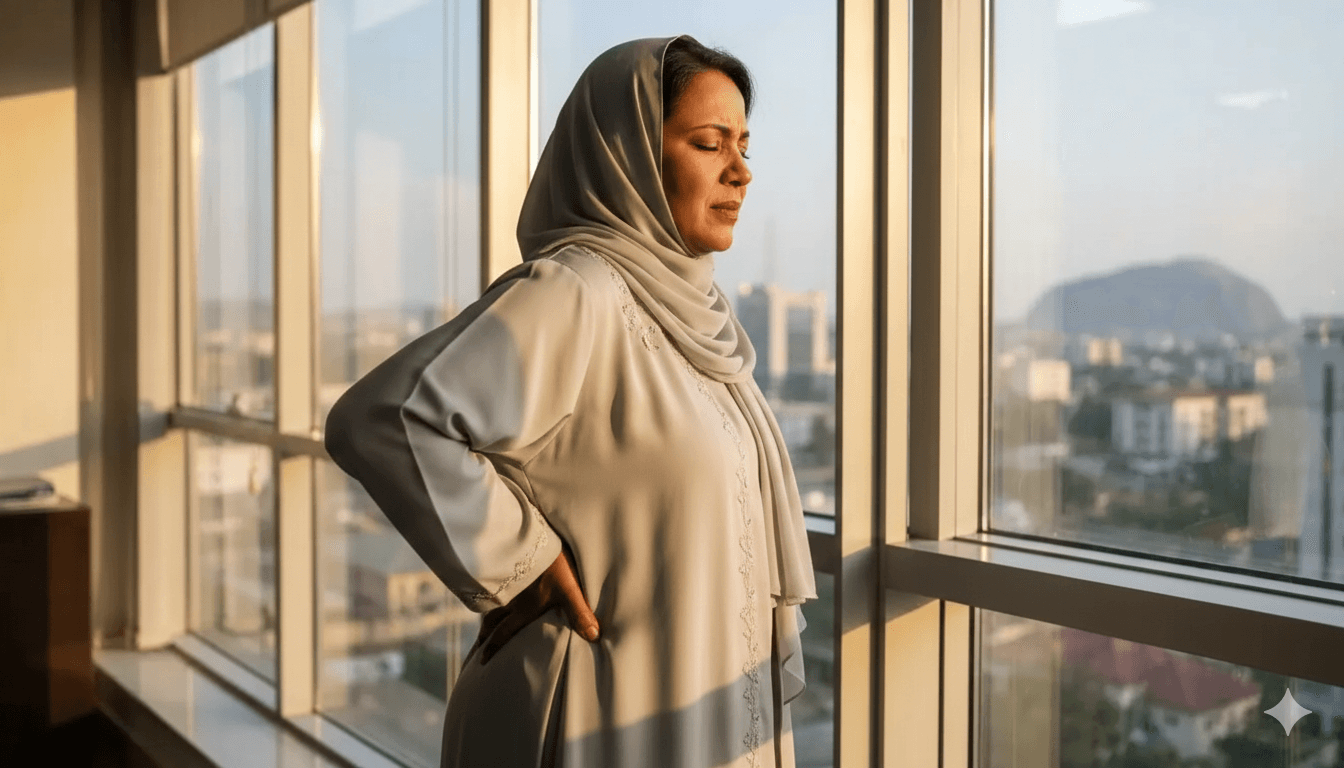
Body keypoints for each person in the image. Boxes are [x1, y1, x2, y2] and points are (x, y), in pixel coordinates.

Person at [324, 35, 817, 768]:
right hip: (587, 713)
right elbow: (384, 419)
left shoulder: (700, 318)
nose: (741, 171)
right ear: (631, 155)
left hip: (682, 712)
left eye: (743, 144)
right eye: (709, 143)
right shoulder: (577, 292)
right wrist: (520, 561)